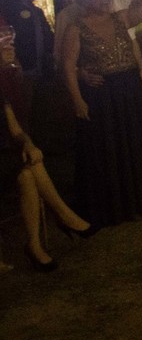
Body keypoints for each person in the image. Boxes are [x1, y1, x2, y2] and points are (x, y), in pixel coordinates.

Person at [61, 0, 142, 227]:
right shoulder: (76, 28)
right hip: (102, 96)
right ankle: (116, 207)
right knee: (108, 149)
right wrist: (77, 99)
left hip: (129, 91)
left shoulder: (121, 18)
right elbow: (67, 66)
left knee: (134, 143)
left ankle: (140, 201)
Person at [2, 21, 95, 272]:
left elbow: (16, 129)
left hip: (6, 153)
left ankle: (36, 243)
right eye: (3, 45)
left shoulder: (6, 82)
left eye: (10, 40)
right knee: (26, 171)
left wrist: (28, 144)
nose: (10, 47)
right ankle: (63, 216)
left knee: (28, 170)